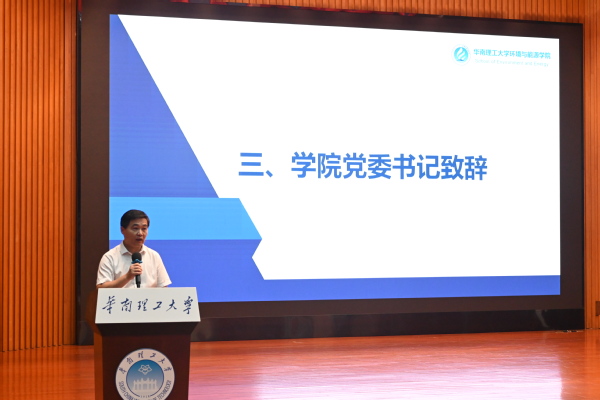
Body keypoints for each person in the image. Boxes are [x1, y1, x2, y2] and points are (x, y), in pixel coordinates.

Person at [96, 209, 171, 288]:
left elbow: (163, 287)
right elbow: (101, 288)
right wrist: (127, 277)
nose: (140, 233)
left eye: (144, 229)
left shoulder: (154, 256)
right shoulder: (110, 257)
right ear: (122, 230)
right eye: (135, 228)